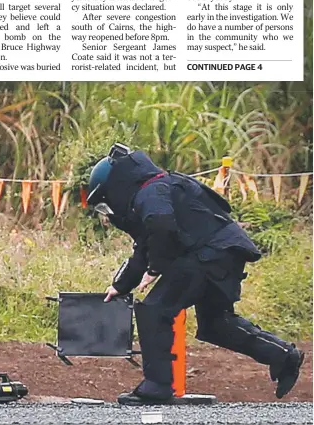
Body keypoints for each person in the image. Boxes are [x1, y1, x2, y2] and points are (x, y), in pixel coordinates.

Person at [87, 143, 305, 406]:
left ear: (116, 186)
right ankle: (284, 356)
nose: (107, 212)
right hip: (223, 254)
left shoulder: (152, 192)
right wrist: (120, 285)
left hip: (208, 255)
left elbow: (161, 228)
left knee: (155, 310)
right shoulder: (156, 189)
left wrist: (155, 269)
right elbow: (145, 245)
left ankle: (156, 387)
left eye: (104, 204)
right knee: (216, 324)